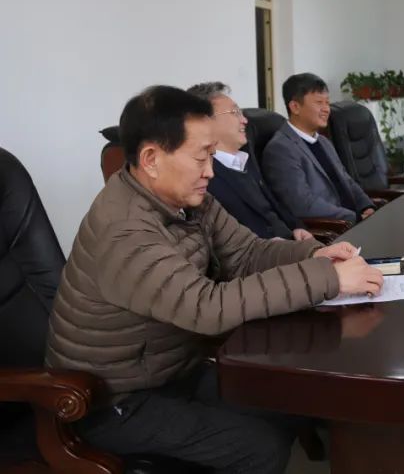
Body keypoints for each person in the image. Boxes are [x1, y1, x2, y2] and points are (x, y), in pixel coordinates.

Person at [44, 85, 384, 473]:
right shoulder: (123, 230)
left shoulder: (188, 199)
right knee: (260, 448)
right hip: (111, 399)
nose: (210, 170)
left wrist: (314, 254)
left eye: (211, 155)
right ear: (152, 159)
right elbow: (207, 308)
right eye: (201, 156)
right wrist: (328, 279)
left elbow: (247, 253)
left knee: (288, 402)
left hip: (173, 370)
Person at [187, 81, 314, 241]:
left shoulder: (246, 160)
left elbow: (275, 207)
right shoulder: (204, 178)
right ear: (206, 121)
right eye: (235, 112)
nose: (245, 120)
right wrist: (268, 246)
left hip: (293, 245)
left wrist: (297, 228)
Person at [262, 73, 376, 222]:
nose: (326, 109)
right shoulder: (280, 149)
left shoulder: (323, 141)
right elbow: (303, 204)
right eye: (319, 102)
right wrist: (355, 217)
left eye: (327, 102)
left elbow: (347, 181)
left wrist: (366, 206)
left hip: (354, 220)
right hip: (334, 228)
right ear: (295, 107)